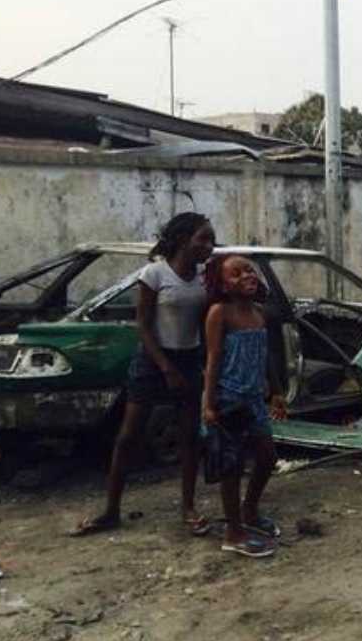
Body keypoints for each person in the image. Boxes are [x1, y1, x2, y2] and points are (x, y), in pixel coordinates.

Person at [74, 213, 216, 537]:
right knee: (128, 436)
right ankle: (111, 510)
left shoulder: (205, 278)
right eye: (203, 238)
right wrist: (166, 367)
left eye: (211, 239)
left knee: (190, 437)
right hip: (154, 360)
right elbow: (143, 325)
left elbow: (207, 322)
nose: (209, 245)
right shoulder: (155, 273)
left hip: (190, 358)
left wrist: (206, 364)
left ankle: (188, 508)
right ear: (182, 240)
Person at [202, 255, 284, 558]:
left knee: (267, 457)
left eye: (249, 270)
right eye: (235, 274)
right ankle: (233, 531)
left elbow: (266, 356)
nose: (246, 276)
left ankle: (249, 510)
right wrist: (208, 404)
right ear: (223, 285)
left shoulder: (260, 313)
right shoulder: (219, 313)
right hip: (228, 398)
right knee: (231, 467)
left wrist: (276, 391)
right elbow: (213, 360)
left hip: (254, 399)